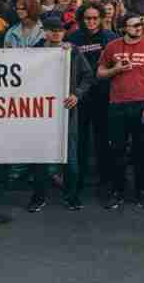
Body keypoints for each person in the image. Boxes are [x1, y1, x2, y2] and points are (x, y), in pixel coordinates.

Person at [97, 12, 144, 209]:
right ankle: (118, 191)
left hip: (142, 103)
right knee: (117, 150)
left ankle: (142, 191)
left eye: (141, 24)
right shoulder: (112, 47)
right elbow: (100, 73)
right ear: (124, 27)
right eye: (134, 25)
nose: (139, 28)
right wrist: (115, 70)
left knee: (141, 151)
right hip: (117, 104)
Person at [27, 12, 94, 212]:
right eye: (53, 31)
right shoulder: (34, 51)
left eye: (60, 30)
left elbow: (88, 76)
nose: (57, 34)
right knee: (40, 157)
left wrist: (77, 95)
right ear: (44, 32)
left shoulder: (72, 51)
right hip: (43, 111)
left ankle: (71, 196)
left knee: (70, 157)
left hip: (67, 110)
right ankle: (38, 197)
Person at [67, 0, 118, 197]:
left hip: (104, 96)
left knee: (103, 140)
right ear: (81, 19)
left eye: (95, 18)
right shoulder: (73, 39)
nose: (91, 22)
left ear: (102, 18)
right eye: (87, 18)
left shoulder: (111, 38)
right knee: (79, 140)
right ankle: (77, 180)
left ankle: (105, 181)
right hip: (79, 96)